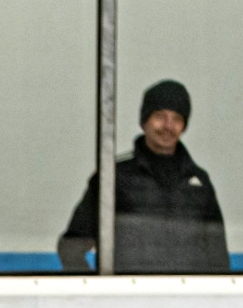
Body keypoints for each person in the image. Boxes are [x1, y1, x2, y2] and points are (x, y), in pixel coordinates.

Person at [58, 79, 230, 273]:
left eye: (177, 119)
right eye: (160, 116)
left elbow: (219, 260)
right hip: (128, 299)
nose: (168, 126)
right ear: (144, 121)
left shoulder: (199, 183)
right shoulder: (113, 178)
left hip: (186, 301)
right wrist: (94, 292)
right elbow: (71, 246)